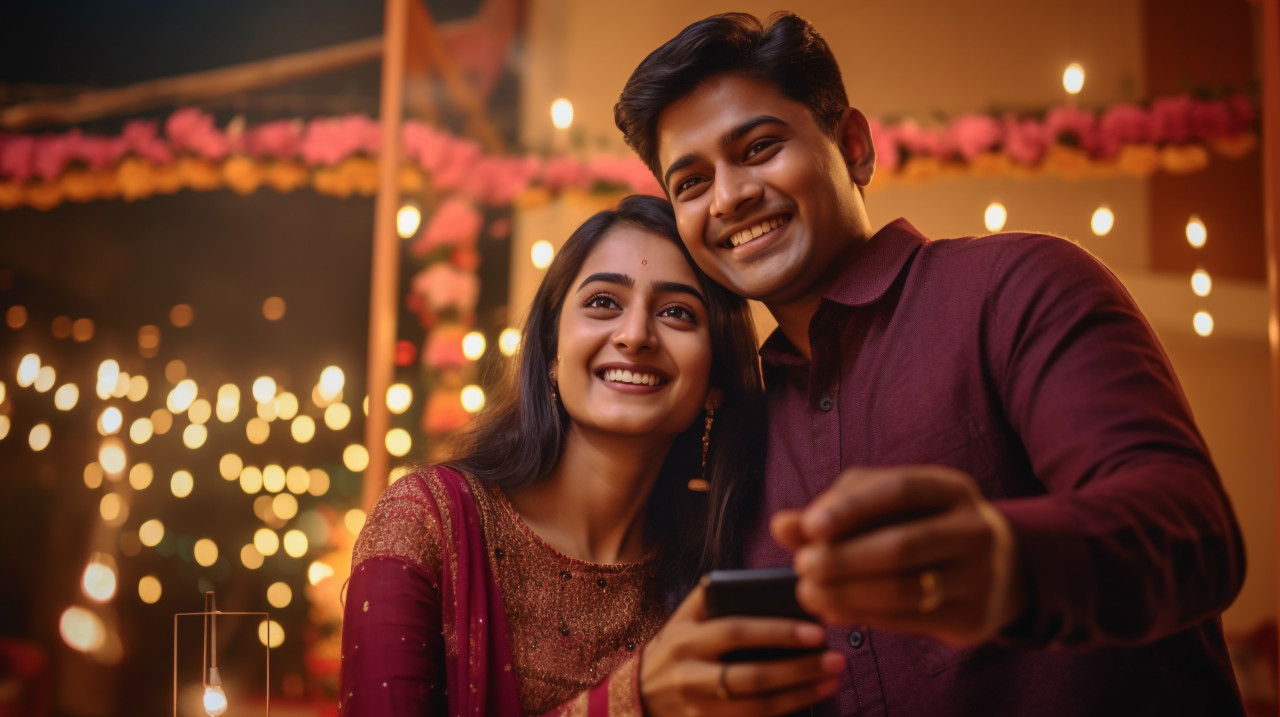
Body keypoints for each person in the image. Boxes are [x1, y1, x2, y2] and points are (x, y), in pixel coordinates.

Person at [612, 11, 1248, 716]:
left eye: (759, 147)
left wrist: (1009, 563)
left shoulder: (1017, 286)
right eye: (691, 183)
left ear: (853, 146)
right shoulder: (740, 428)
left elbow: (1192, 529)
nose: (729, 197)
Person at [336, 194, 842, 715]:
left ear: (714, 379)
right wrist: (634, 701)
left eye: (676, 312)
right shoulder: (426, 523)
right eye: (603, 302)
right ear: (553, 352)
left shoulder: (721, 567)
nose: (635, 336)